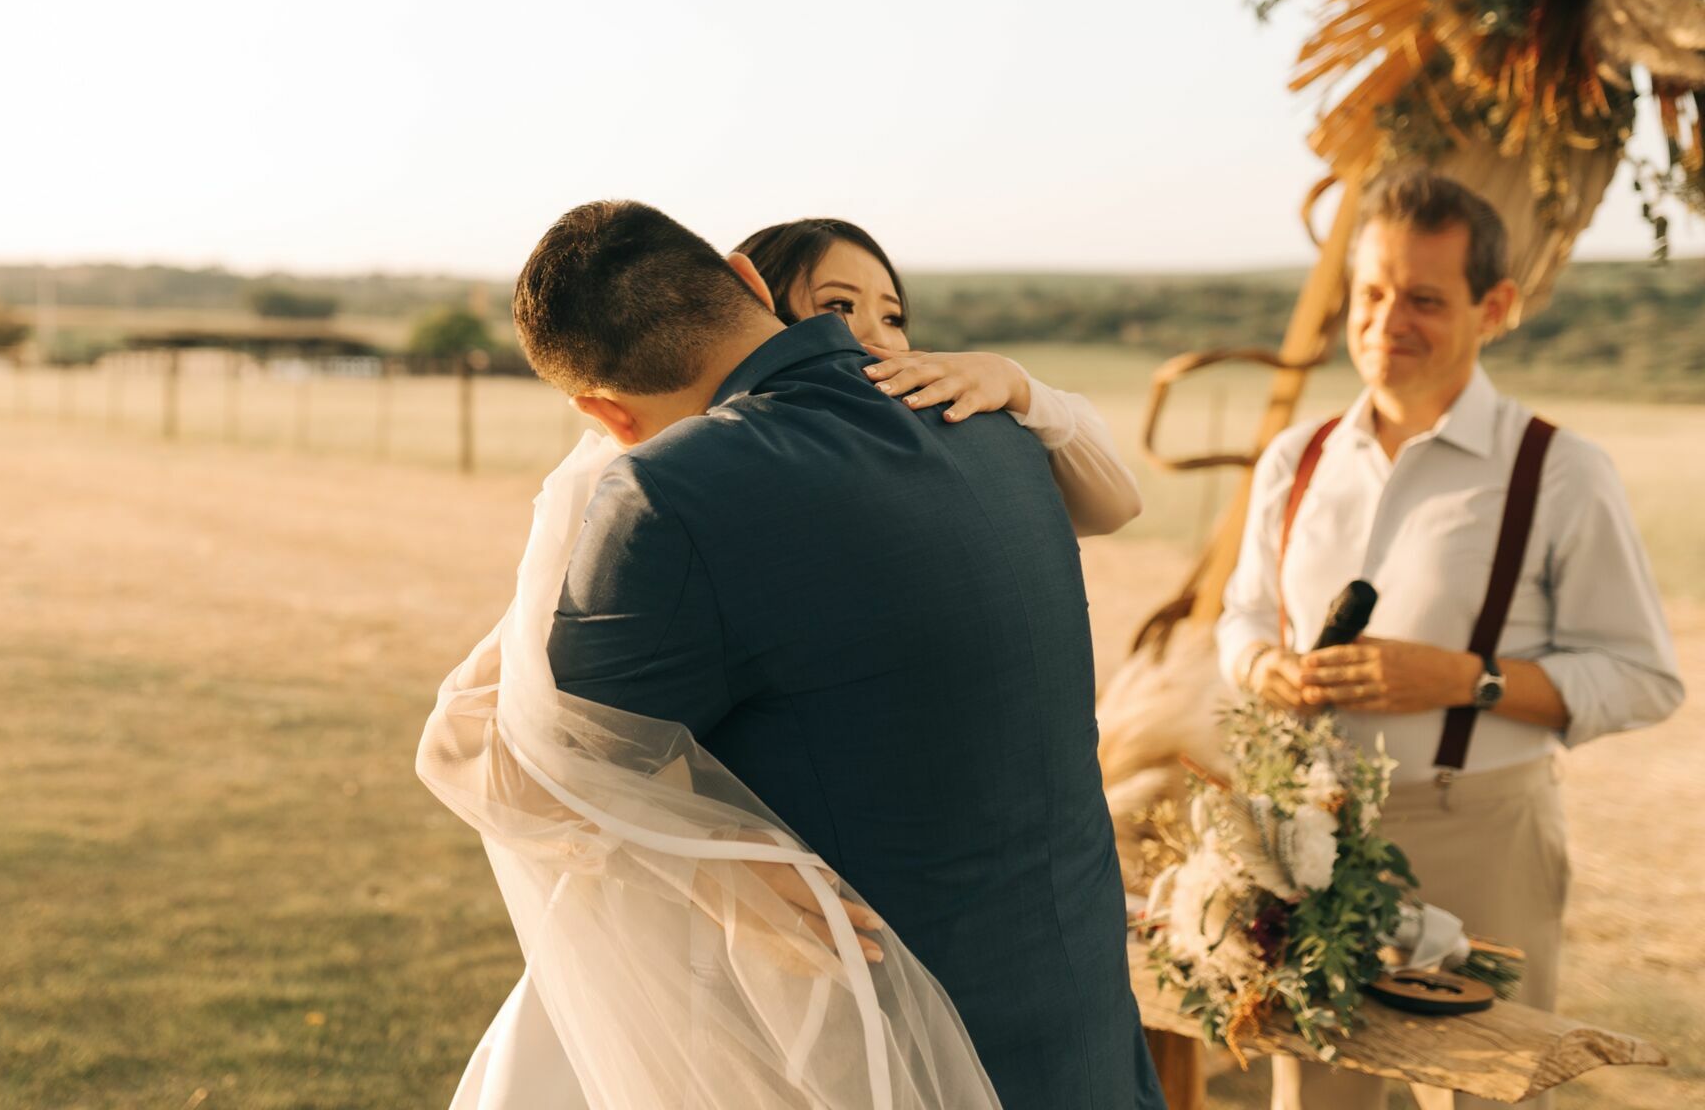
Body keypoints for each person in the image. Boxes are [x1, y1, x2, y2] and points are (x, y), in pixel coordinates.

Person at [425, 198, 1166, 1109]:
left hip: (882, 1048)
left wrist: (702, 865)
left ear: (605, 414)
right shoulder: (997, 424)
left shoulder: (666, 497)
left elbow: (539, 761)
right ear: (746, 280)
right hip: (1079, 1016)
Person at [1216, 171, 1684, 1110]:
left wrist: (1464, 679)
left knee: (1491, 1099)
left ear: (1495, 307)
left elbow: (1644, 678)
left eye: (1424, 298)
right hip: (1312, 840)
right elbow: (1243, 619)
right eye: (1373, 292)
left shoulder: (1558, 470)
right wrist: (1265, 666)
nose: (1388, 320)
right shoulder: (1294, 460)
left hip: (1484, 836)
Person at [733, 217, 1142, 536]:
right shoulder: (727, 452)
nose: (881, 338)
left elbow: (1114, 508)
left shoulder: (934, 433)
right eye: (839, 305)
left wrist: (1019, 386)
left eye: (893, 317)